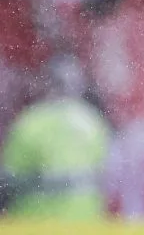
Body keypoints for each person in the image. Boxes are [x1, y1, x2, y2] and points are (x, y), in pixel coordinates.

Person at [1, 55, 112, 219]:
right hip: (85, 221)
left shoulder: (30, 122)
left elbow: (7, 179)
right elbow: (108, 176)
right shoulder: (94, 123)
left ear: (46, 84)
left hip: (36, 222)